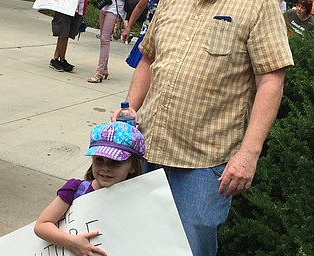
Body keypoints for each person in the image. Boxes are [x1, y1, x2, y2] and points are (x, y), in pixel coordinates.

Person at [111, 0, 294, 255]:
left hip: (205, 160)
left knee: (187, 248)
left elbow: (271, 80)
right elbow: (148, 58)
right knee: (133, 239)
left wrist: (249, 154)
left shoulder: (259, 6)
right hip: (146, 146)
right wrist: (130, 106)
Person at [34, 121, 146, 256]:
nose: (105, 168)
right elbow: (42, 225)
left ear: (133, 166)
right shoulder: (76, 189)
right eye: (99, 160)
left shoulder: (140, 199)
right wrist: (72, 242)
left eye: (115, 162)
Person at [88, 0, 126, 83]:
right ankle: (104, 69)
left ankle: (99, 71)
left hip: (115, 9)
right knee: (103, 39)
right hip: (104, 6)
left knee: (105, 39)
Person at [49, 0, 89, 72]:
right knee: (63, 33)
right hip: (65, 6)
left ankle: (56, 59)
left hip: (77, 7)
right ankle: (62, 60)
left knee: (66, 33)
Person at [123, 0, 159, 68]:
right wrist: (128, 28)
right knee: (142, 64)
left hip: (164, 35)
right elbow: (139, 8)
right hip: (146, 33)